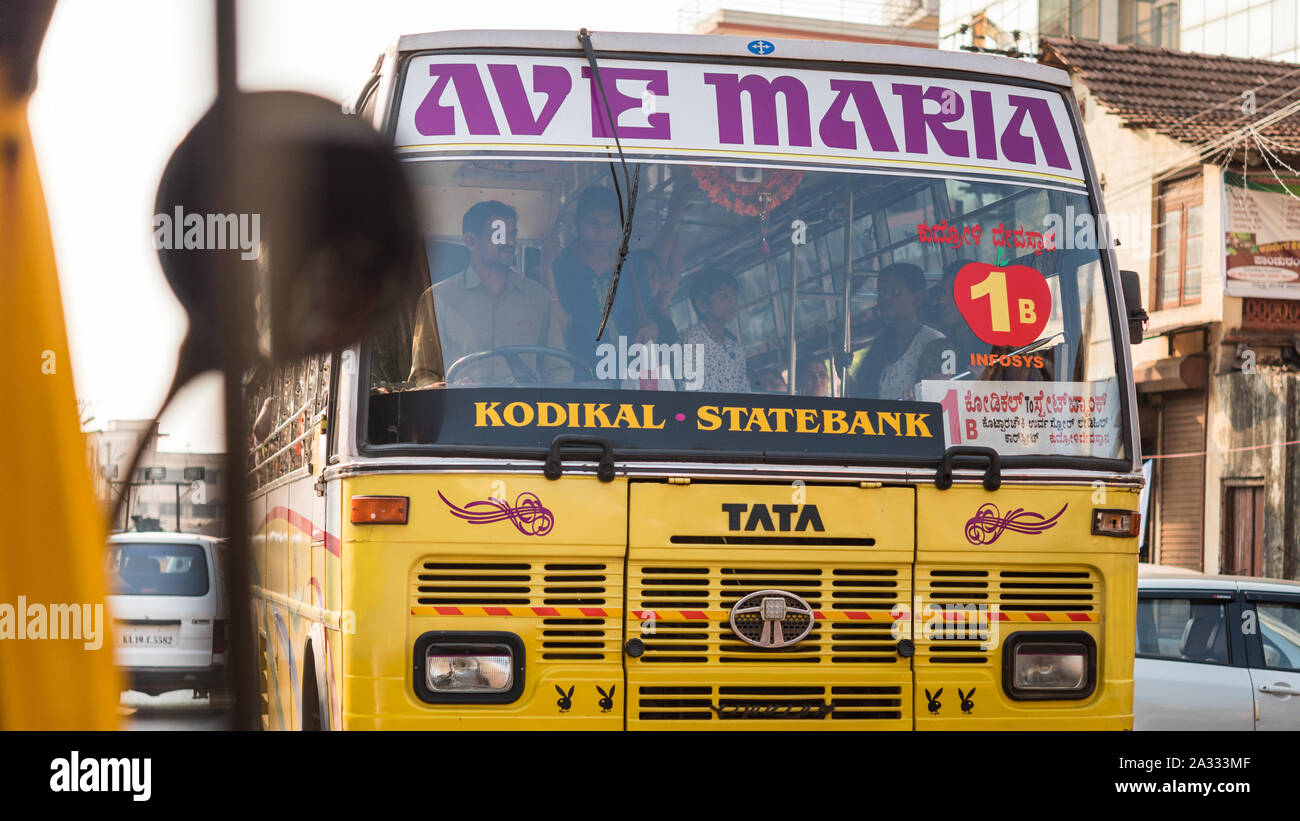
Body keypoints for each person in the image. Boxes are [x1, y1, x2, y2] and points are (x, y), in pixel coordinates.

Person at [409, 200, 570, 386]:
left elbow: (558, 370)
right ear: (471, 241)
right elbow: (423, 376)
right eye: (499, 234)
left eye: (512, 234)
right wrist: (449, 388)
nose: (509, 242)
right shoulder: (437, 299)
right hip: (461, 410)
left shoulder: (538, 297)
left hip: (527, 411)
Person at [543, 184, 686, 379]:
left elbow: (651, 312)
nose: (602, 234)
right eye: (594, 224)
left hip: (629, 379)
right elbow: (560, 326)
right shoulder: (562, 266)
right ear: (578, 225)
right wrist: (547, 268)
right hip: (580, 379)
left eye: (610, 225)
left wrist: (653, 327)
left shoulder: (633, 266)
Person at [848, 262, 945, 400]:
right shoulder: (883, 344)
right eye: (882, 292)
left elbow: (943, 397)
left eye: (895, 292)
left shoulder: (934, 342)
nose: (886, 298)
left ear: (917, 299)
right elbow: (865, 397)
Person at [680, 267, 750, 393]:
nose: (732, 301)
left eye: (734, 295)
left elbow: (743, 387)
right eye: (724, 296)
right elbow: (691, 388)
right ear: (703, 305)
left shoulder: (734, 344)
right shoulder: (693, 340)